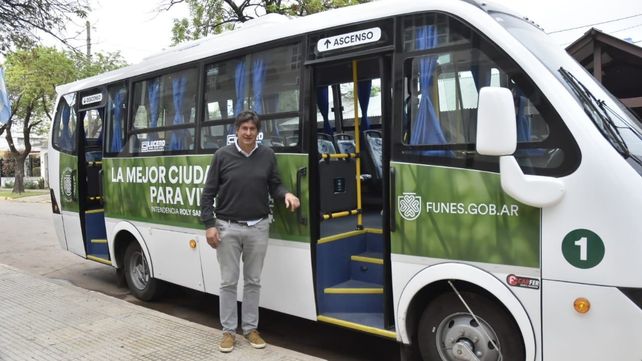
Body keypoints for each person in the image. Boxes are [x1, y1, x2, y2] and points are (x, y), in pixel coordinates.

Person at [200, 110, 300, 353]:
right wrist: (209, 224)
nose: (248, 133)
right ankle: (228, 332)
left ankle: (250, 329)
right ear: (236, 131)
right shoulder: (222, 156)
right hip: (227, 227)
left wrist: (286, 194)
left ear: (258, 132)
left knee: (253, 281)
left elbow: (274, 184)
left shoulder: (267, 155)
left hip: (258, 227)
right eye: (243, 129)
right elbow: (208, 193)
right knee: (228, 282)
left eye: (252, 129)